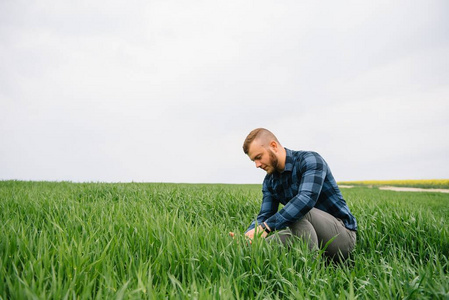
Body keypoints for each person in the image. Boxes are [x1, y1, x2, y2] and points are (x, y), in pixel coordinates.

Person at [231, 128, 357, 261]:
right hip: (305, 232)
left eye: (259, 157)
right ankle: (309, 263)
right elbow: (265, 215)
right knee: (262, 248)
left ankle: (312, 272)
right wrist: (248, 236)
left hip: (342, 238)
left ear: (273, 146)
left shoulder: (311, 160)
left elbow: (305, 199)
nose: (257, 165)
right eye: (253, 161)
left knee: (297, 210)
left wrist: (267, 227)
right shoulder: (270, 181)